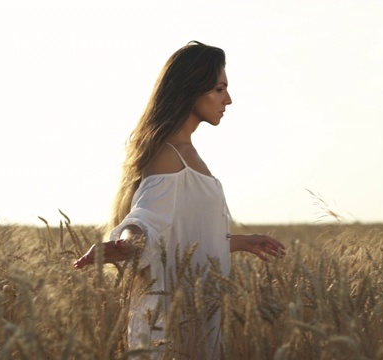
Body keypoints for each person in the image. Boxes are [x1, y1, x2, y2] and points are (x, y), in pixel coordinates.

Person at [73, 41, 285, 359]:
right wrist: (126, 244)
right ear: (192, 89)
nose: (228, 99)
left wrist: (238, 241)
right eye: (219, 89)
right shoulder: (168, 156)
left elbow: (183, 236)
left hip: (196, 319)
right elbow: (146, 220)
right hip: (173, 329)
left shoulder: (186, 154)